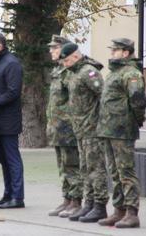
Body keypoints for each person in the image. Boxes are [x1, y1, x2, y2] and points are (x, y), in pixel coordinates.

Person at [97, 38, 146, 228]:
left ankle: (132, 212)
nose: (112, 53)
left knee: (126, 172)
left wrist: (137, 120)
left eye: (115, 50)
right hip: (108, 129)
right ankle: (119, 210)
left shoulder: (131, 73)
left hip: (122, 129)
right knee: (114, 172)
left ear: (126, 53)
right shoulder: (114, 72)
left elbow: (137, 100)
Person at [60, 43, 109, 222]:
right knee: (85, 168)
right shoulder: (74, 73)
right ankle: (88, 203)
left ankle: (100, 205)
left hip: (92, 129)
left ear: (75, 56)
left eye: (66, 60)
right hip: (80, 129)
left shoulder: (89, 72)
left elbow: (103, 96)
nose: (64, 64)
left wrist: (100, 122)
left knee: (96, 169)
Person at [0, 32, 24, 209]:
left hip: (8, 120)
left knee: (12, 159)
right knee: (3, 160)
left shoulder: (11, 63)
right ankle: (7, 194)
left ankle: (18, 197)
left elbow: (13, 92)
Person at [46, 35, 83, 218]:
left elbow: (76, 101)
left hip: (69, 127)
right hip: (57, 128)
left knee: (72, 166)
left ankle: (76, 201)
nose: (51, 51)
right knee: (63, 166)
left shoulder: (71, 72)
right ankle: (67, 199)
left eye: (54, 48)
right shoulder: (58, 71)